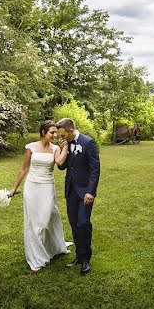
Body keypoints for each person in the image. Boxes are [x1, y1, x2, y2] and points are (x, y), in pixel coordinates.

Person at [9, 120, 69, 273]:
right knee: (32, 223)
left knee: (44, 221)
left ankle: (53, 247)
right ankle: (35, 259)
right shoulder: (30, 147)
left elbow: (60, 161)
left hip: (47, 187)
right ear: (43, 132)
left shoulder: (55, 148)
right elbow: (24, 169)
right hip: (32, 187)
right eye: (52, 132)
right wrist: (14, 188)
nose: (55, 135)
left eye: (56, 132)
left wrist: (65, 148)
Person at [55, 117, 100, 276]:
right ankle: (79, 257)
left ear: (71, 131)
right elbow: (61, 167)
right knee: (74, 224)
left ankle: (86, 259)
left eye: (62, 135)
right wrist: (63, 149)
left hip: (85, 193)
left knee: (83, 223)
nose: (60, 138)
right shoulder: (66, 144)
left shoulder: (88, 143)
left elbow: (95, 169)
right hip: (71, 191)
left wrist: (91, 191)